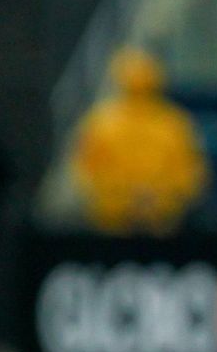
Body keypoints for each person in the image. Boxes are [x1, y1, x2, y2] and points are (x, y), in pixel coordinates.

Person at [70, 46, 208, 234]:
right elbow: (88, 172)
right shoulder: (174, 122)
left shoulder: (101, 121)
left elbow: (191, 173)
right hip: (127, 223)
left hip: (141, 223)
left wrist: (135, 200)